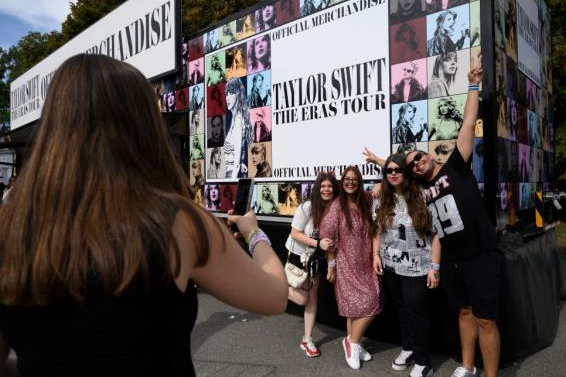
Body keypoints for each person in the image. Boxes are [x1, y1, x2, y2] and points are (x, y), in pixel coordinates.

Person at [0, 54, 288, 377]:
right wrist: (254, 234)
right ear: (143, 125)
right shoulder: (179, 223)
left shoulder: (9, 229)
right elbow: (275, 295)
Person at [365, 64, 502, 377]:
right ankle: (467, 367)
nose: (417, 162)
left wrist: (472, 86)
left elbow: (468, 122)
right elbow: (393, 171)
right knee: (465, 313)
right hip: (452, 260)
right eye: (411, 163)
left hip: (481, 253)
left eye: (419, 157)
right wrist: (378, 164)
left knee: (486, 319)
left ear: (429, 155)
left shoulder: (456, 165)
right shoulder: (419, 188)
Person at [372, 153, 441, 377]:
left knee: (417, 312)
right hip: (391, 265)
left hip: (418, 266)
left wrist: (435, 267)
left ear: (406, 172)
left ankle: (424, 361)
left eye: (397, 170)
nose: (393, 173)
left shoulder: (423, 195)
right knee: (401, 310)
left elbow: (437, 233)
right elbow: (377, 230)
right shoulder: (383, 196)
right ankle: (409, 348)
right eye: (389, 170)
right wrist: (375, 255)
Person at [320, 166, 382, 370]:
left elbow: (388, 187)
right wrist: (331, 266)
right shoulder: (337, 206)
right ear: (342, 181)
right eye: (347, 178)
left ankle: (352, 341)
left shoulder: (366, 199)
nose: (350, 182)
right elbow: (328, 239)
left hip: (366, 264)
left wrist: (381, 183)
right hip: (346, 264)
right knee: (366, 305)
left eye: (354, 179)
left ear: (359, 181)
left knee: (360, 308)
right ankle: (353, 343)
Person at [286, 172, 340, 357]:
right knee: (302, 299)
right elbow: (295, 233)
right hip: (299, 255)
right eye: (323, 186)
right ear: (318, 188)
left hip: (316, 258)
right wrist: (318, 243)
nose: (326, 189)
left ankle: (307, 339)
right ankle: (277, 286)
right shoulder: (307, 207)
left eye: (330, 186)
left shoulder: (334, 207)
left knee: (313, 297)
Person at [223, 78, 253, 178]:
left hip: (232, 175)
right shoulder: (234, 118)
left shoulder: (238, 120)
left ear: (238, 95)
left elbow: (236, 163)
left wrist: (232, 181)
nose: (227, 98)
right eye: (227, 94)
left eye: (231, 93)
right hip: (231, 173)